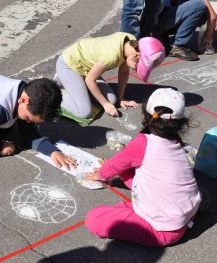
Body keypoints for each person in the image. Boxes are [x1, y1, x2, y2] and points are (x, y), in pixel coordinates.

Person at [85, 88, 202, 247]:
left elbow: (116, 164)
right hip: (185, 213)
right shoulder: (175, 142)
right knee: (129, 171)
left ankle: (138, 213)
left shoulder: (144, 142)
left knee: (94, 218)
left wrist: (101, 174)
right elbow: (121, 165)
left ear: (144, 116)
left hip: (162, 230)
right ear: (180, 124)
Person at [55, 32, 165, 119]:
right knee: (84, 111)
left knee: (112, 100)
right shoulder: (111, 56)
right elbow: (90, 80)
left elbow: (124, 72)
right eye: (137, 67)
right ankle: (53, 91)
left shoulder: (130, 41)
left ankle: (69, 82)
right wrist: (105, 104)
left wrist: (120, 98)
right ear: (137, 55)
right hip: (69, 65)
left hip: (86, 69)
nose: (135, 70)